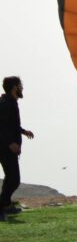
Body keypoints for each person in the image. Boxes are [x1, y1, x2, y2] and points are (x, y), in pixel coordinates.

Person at [1, 76, 34, 222]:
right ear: (15, 87)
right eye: (20, 85)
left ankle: (6, 205)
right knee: (14, 179)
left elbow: (10, 125)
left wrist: (23, 131)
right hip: (4, 147)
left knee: (11, 178)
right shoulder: (6, 104)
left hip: (7, 147)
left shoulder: (11, 102)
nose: (21, 88)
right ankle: (2, 207)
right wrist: (10, 143)